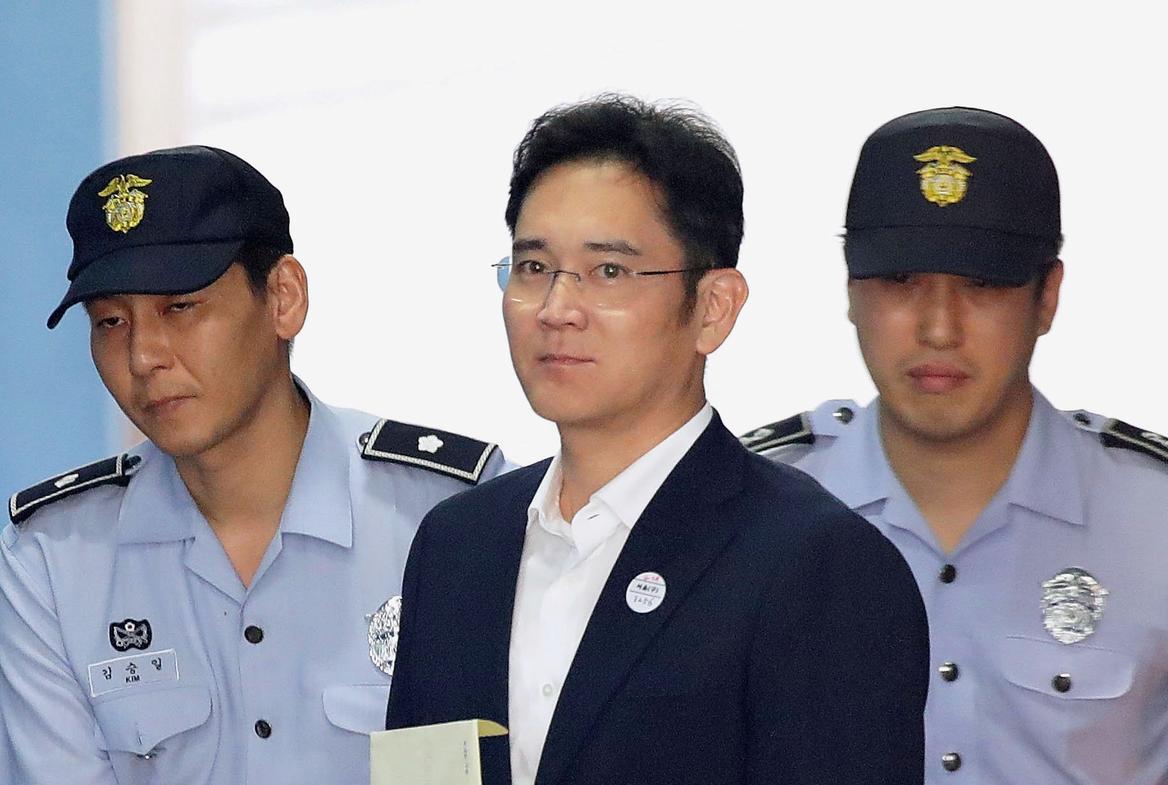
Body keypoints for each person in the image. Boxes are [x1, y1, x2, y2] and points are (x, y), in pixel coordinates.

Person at [385, 95, 929, 785]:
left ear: (712, 308)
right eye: (532, 268)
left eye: (608, 271)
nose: (557, 309)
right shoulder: (456, 545)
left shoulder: (817, 566)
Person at [0, 145, 509, 785]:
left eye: (180, 307)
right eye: (111, 321)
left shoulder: (452, 512)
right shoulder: (54, 556)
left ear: (284, 298)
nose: (144, 355)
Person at [741, 107, 1168, 784]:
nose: (939, 328)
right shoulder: (743, 513)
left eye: (983, 284)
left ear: (1047, 297)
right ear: (851, 290)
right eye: (901, 281)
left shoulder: (1155, 519)